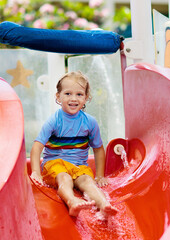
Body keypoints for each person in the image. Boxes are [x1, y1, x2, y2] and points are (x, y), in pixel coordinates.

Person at [30, 71, 118, 217]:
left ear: (86, 98)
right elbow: (37, 147)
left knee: (87, 181)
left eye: (79, 94)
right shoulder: (54, 121)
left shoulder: (90, 122)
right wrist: (36, 173)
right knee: (65, 178)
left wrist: (100, 176)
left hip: (79, 166)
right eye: (68, 94)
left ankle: (104, 205)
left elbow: (98, 149)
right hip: (54, 164)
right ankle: (72, 201)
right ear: (58, 96)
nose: (73, 99)